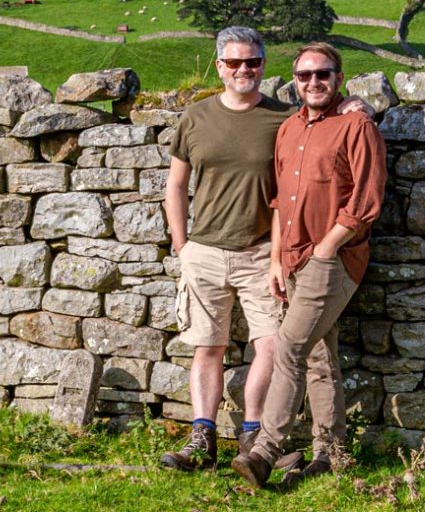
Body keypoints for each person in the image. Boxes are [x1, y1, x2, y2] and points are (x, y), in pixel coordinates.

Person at [232, 41, 388, 490]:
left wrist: (326, 249)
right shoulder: (289, 129)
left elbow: (366, 201)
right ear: (295, 81)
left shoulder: (356, 125)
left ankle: (264, 451)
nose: (314, 82)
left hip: (332, 258)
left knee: (289, 346)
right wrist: (276, 260)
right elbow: (280, 201)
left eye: (323, 74)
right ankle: (331, 452)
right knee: (319, 355)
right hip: (292, 258)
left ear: (339, 78)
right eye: (305, 75)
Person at [158, 26, 292, 471]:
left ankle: (253, 438)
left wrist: (355, 105)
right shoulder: (195, 117)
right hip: (205, 251)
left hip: (262, 252)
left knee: (270, 345)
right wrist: (182, 244)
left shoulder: (283, 119)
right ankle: (202, 440)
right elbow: (175, 184)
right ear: (219, 66)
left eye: (251, 62)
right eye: (234, 62)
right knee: (207, 347)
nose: (243, 70)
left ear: (263, 65)